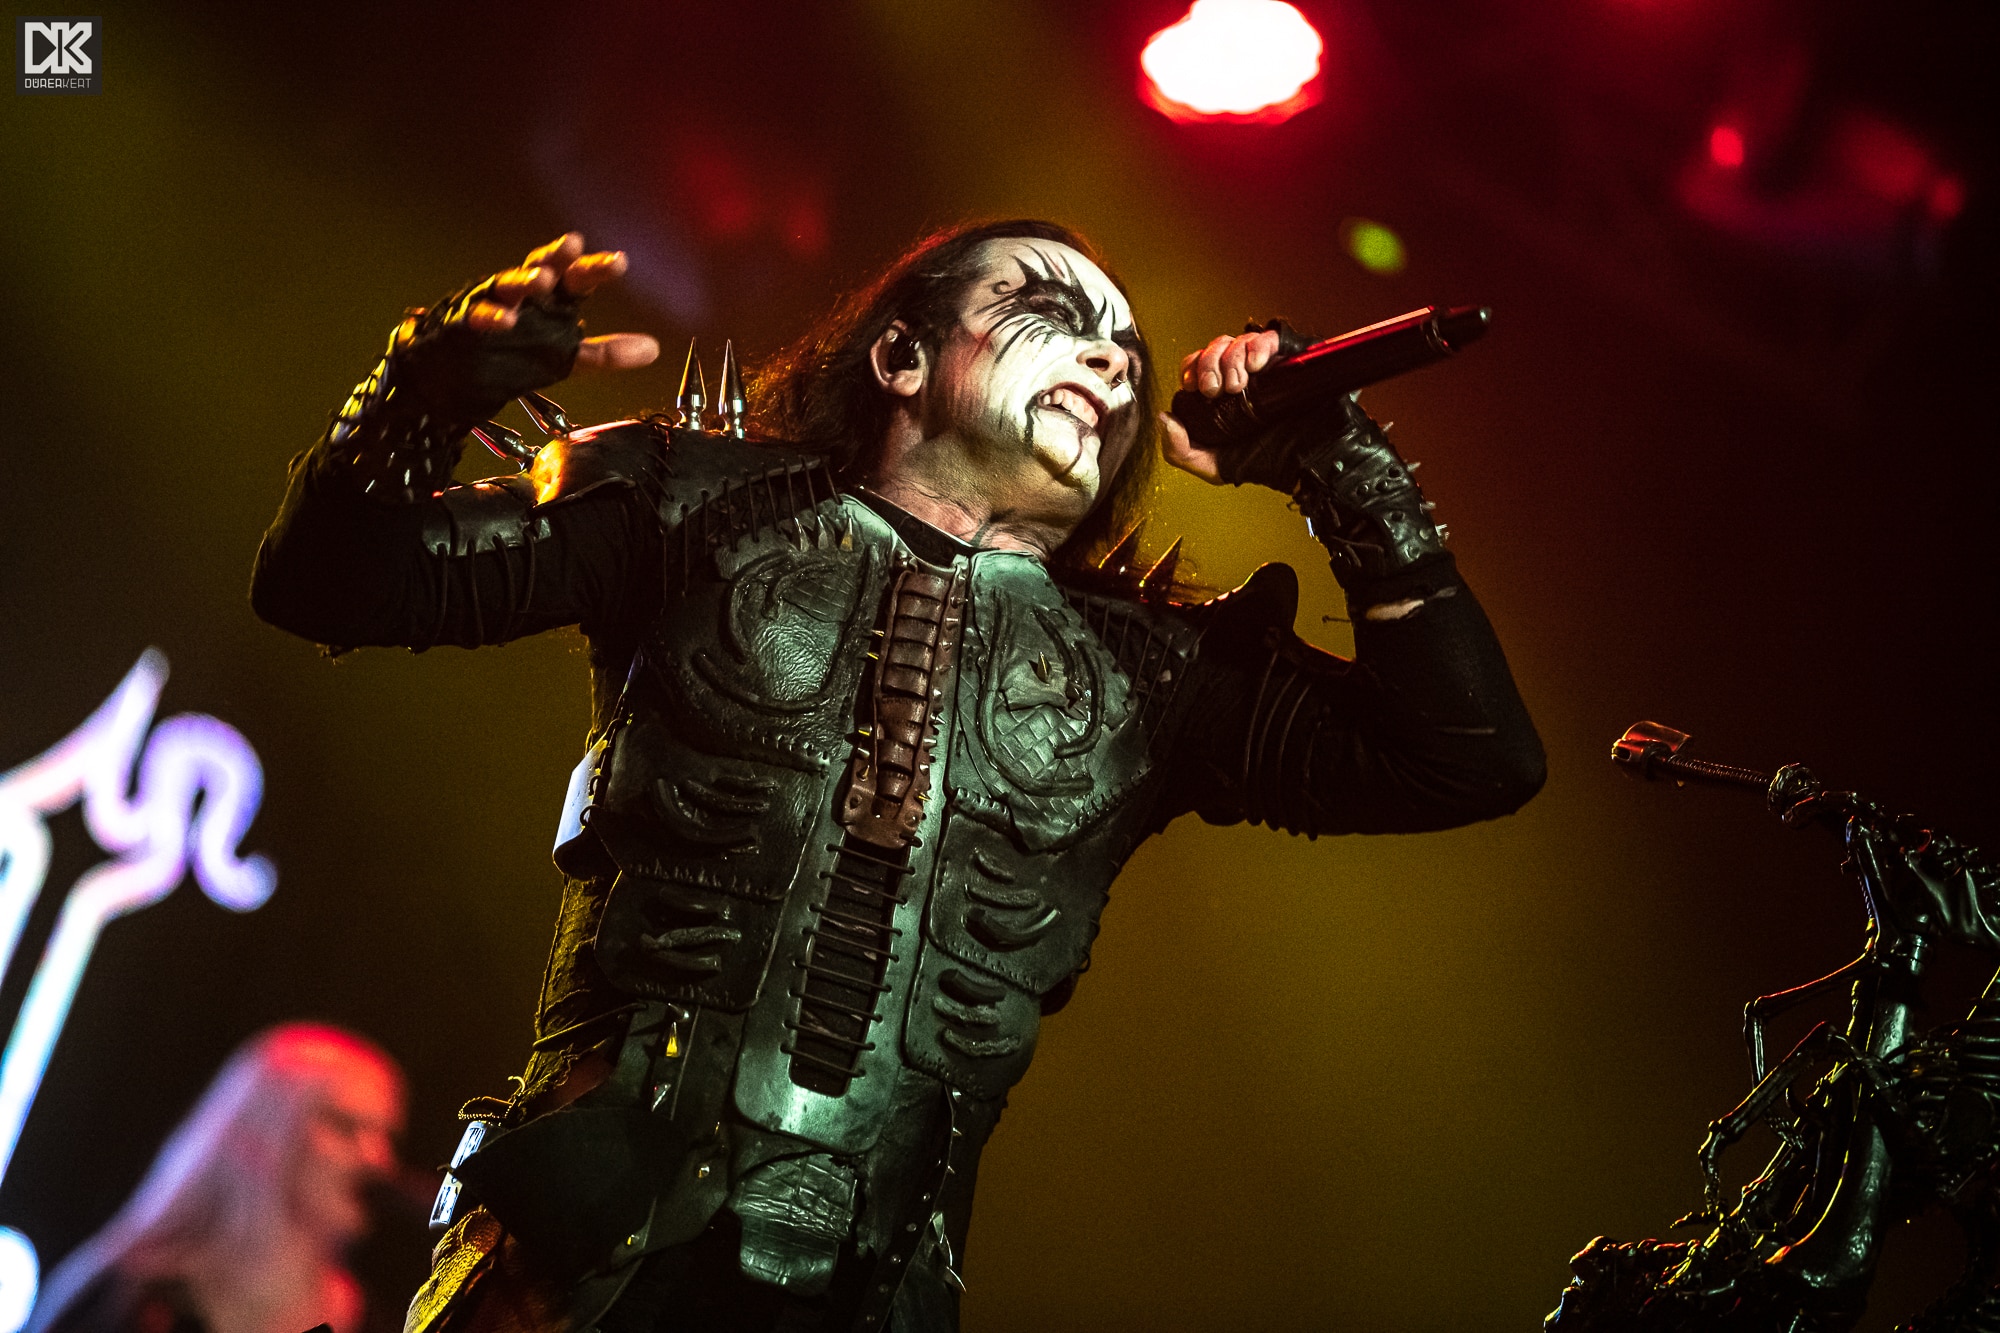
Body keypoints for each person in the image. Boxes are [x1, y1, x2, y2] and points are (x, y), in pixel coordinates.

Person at [249, 220, 1545, 1333]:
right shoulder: (681, 506)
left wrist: (1334, 456)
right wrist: (422, 393)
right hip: (576, 1267)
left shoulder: (1149, 669)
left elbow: (1467, 758)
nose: (1105, 358)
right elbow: (330, 583)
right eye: (1048, 313)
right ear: (901, 358)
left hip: (870, 1294)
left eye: (1120, 347)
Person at [27, 1025, 405, 1333]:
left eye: (386, 1137)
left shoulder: (374, 1320)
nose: (378, 1160)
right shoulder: (128, 1296)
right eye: (344, 1126)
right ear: (261, 1130)